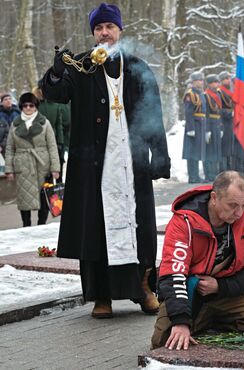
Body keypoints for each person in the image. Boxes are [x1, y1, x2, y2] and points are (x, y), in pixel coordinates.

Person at [40, 3, 171, 318]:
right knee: (96, 227)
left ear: (119, 30)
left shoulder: (137, 67)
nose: (104, 33)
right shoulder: (81, 66)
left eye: (109, 27)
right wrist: (57, 72)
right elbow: (54, 94)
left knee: (137, 226)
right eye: (98, 28)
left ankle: (143, 289)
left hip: (131, 162)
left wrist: (161, 155)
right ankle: (102, 296)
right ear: (93, 33)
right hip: (95, 165)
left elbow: (152, 112)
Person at [151, 171, 244, 350]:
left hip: (223, 293)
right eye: (233, 205)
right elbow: (173, 273)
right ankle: (198, 320)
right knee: (163, 341)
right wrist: (180, 321)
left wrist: (220, 287)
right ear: (214, 198)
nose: (239, 213)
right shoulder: (185, 222)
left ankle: (208, 321)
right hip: (189, 291)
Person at [4, 93, 60, 227]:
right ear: (21, 107)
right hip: (22, 166)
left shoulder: (44, 123)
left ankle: (41, 224)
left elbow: (52, 146)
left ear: (36, 106)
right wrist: (9, 169)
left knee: (44, 198)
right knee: (24, 200)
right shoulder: (15, 124)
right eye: (25, 105)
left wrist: (55, 168)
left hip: (42, 164)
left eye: (31, 105)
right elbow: (10, 148)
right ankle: (26, 226)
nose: (28, 108)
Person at [32, 85, 70, 182]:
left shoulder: (55, 104)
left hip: (55, 140)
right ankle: (45, 195)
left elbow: (59, 124)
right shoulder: (34, 105)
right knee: (45, 173)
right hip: (40, 142)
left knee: (58, 169)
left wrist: (60, 142)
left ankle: (59, 193)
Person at [183, 72, 207, 184]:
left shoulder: (200, 93)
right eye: (199, 80)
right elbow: (188, 113)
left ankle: (196, 175)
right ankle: (192, 176)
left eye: (202, 80)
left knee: (198, 151)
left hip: (201, 124)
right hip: (194, 125)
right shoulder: (190, 94)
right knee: (192, 152)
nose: (201, 82)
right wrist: (191, 128)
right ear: (193, 82)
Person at [204, 74, 223, 181]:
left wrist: (221, 127)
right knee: (210, 151)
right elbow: (205, 113)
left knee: (216, 149)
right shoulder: (206, 95)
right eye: (214, 82)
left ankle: (215, 173)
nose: (216, 84)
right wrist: (207, 130)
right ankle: (209, 174)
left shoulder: (218, 95)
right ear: (209, 84)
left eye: (217, 82)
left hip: (217, 124)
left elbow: (219, 112)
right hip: (210, 124)